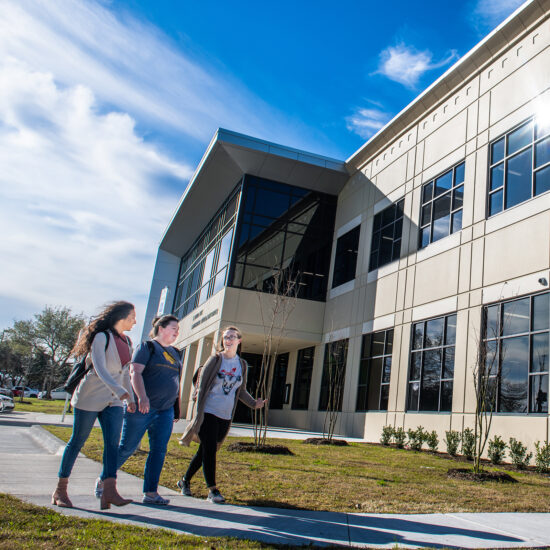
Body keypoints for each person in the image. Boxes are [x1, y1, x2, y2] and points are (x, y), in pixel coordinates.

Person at [52, 301, 136, 510]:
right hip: (90, 396)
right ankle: (60, 490)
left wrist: (131, 398)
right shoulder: (102, 337)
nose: (135, 321)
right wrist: (119, 390)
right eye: (132, 316)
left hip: (113, 400)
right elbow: (99, 368)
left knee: (112, 445)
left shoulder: (128, 342)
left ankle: (109, 491)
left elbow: (125, 373)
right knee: (77, 441)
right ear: (122, 317)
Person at [94, 314, 182, 505]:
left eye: (178, 329)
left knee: (159, 450)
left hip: (165, 410)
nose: (177, 332)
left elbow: (176, 381)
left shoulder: (176, 353)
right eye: (174, 328)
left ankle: (150, 493)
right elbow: (135, 372)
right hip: (143, 408)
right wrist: (142, 397)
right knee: (128, 447)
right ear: (161, 328)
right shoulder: (147, 347)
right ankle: (103, 480)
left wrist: (176, 407)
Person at [177, 326, 266, 504]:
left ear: (239, 340)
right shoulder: (215, 360)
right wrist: (197, 410)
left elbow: (240, 390)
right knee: (209, 450)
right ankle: (213, 490)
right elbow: (201, 387)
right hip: (208, 412)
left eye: (232, 337)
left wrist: (254, 404)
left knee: (205, 451)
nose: (229, 340)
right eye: (226, 337)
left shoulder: (241, 365)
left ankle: (184, 481)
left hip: (225, 416)